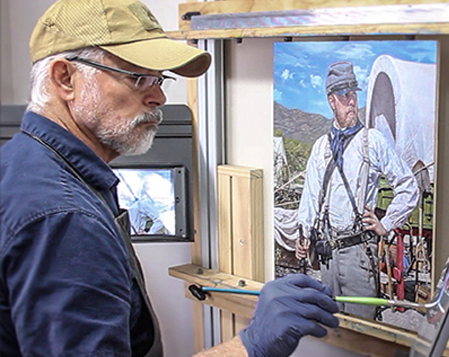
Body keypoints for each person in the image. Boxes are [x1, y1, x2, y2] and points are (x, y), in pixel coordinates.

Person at [0, 0, 340, 356]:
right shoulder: (65, 220)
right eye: (138, 77)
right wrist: (249, 346)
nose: (158, 96)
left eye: (159, 79)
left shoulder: (22, 164)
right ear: (65, 78)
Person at [295, 61, 419, 319]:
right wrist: (304, 235)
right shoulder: (321, 147)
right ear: (331, 101)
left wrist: (386, 223)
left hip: (359, 255)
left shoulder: (372, 141)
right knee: (331, 324)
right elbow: (310, 195)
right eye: (344, 95)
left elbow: (409, 186)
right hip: (328, 254)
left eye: (353, 94)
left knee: (364, 327)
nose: (351, 101)